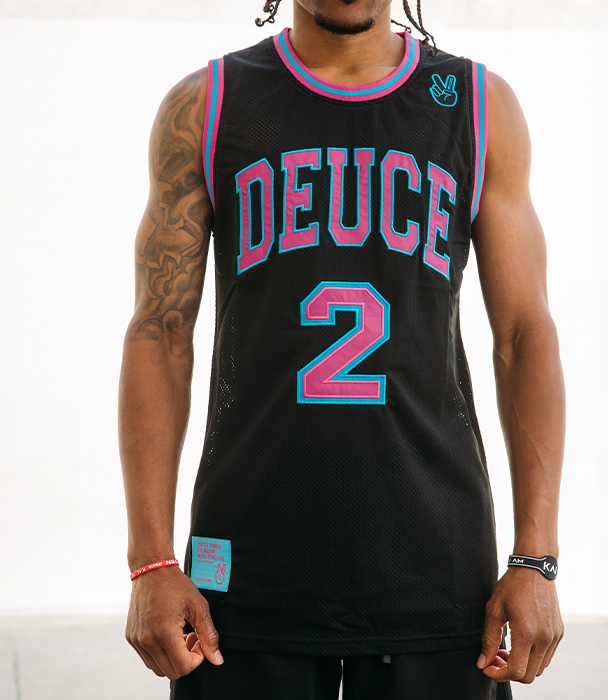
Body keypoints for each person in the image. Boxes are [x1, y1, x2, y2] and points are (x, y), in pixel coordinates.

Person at [119, 1, 566, 698]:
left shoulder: (479, 105)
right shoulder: (207, 105)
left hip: (436, 569)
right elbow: (161, 332)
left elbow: (523, 334)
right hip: (244, 573)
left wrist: (536, 559)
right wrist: (151, 561)